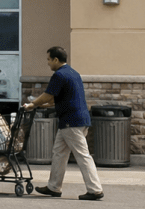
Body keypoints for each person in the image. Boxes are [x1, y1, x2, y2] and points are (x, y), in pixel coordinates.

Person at [22, 46, 104, 201]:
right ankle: (54, 187)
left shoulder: (59, 75)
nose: (47, 63)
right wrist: (41, 105)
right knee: (59, 153)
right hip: (77, 120)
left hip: (71, 122)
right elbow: (58, 99)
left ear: (56, 59)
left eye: (48, 59)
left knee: (82, 155)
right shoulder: (73, 73)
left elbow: (48, 96)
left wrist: (32, 104)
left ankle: (95, 190)